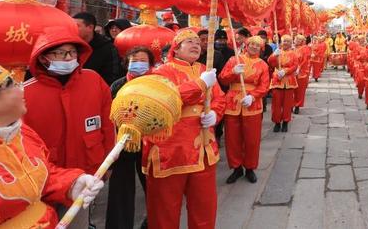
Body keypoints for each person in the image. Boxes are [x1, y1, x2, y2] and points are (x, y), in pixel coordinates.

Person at [23, 25, 115, 229]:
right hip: (42, 182)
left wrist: (107, 163)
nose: (68, 58)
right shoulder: (24, 94)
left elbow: (108, 125)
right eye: (60, 53)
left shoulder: (93, 81)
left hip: (85, 174)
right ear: (43, 57)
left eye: (72, 52)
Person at [0, 65, 103, 228]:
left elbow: (41, 174)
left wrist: (73, 183)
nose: (22, 89)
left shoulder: (24, 132)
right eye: (12, 84)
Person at [142, 29, 225, 229]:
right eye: (189, 41)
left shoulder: (205, 69)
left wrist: (215, 113)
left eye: (198, 42)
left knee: (204, 208)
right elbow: (166, 100)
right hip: (170, 150)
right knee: (165, 211)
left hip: (203, 148)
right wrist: (200, 84)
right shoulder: (162, 71)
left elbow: (220, 98)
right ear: (176, 49)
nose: (196, 44)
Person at [106, 47, 155, 229]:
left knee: (152, 185)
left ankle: (153, 220)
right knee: (120, 188)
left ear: (150, 64)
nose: (138, 63)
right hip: (122, 142)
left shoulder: (156, 84)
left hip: (150, 142)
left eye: (143, 60)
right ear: (126, 63)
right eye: (134, 60)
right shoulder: (117, 85)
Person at [218, 35, 270, 185]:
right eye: (251, 44)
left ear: (260, 48)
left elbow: (264, 86)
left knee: (252, 139)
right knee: (232, 138)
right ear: (246, 44)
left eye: (257, 45)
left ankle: (250, 167)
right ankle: (236, 167)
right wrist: (233, 71)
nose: (254, 47)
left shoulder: (262, 65)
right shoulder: (234, 60)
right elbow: (222, 79)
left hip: (252, 104)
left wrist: (253, 96)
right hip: (233, 102)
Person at [73, 12, 122, 85]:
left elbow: (112, 76)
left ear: (90, 27)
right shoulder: (69, 44)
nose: (73, 28)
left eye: (77, 26)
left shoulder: (107, 48)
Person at [267, 35, 299, 132]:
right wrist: (273, 56)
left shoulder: (293, 54)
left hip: (289, 81)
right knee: (276, 104)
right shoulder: (277, 52)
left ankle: (285, 122)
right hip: (277, 80)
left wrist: (286, 71)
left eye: (288, 41)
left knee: (287, 104)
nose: (285, 43)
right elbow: (270, 63)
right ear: (281, 42)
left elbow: (295, 66)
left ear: (291, 43)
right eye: (284, 41)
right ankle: (277, 122)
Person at [293, 34, 311, 114]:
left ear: (303, 41)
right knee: (291, 90)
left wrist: (299, 68)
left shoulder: (305, 48)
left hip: (301, 72)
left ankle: (297, 105)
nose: (296, 40)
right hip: (291, 72)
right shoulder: (292, 48)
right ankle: (290, 105)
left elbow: (304, 60)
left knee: (299, 90)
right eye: (296, 39)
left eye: (298, 39)